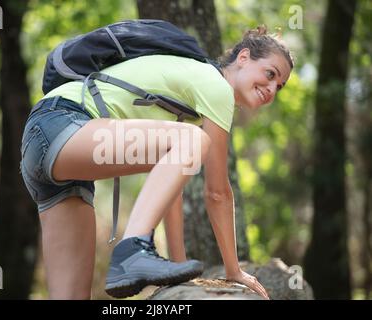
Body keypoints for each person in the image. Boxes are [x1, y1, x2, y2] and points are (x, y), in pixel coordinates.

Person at [19, 25, 293, 300]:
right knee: (194, 141)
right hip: (62, 123)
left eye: (279, 87)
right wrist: (234, 271)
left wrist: (179, 270)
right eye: (270, 74)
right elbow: (218, 193)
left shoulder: (187, 100)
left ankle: (135, 250)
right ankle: (132, 250)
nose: (271, 89)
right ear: (243, 57)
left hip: (51, 151)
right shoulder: (215, 87)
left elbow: (170, 191)